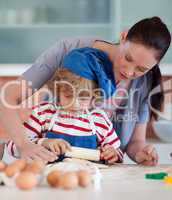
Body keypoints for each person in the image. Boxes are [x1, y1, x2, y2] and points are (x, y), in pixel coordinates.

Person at [0, 16, 171, 165]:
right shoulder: (69, 50)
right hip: (50, 167)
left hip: (101, 175)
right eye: (128, 58)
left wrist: (141, 154)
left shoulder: (145, 82)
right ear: (123, 36)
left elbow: (135, 142)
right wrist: (25, 143)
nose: (129, 72)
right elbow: (7, 97)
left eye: (141, 69)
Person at [7, 66, 123, 164]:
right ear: (57, 91)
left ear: (94, 95)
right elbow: (12, 147)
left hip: (88, 181)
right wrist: (44, 142)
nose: (75, 104)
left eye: (83, 97)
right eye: (68, 96)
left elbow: (118, 153)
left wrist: (113, 154)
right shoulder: (43, 114)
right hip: (48, 180)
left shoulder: (100, 120)